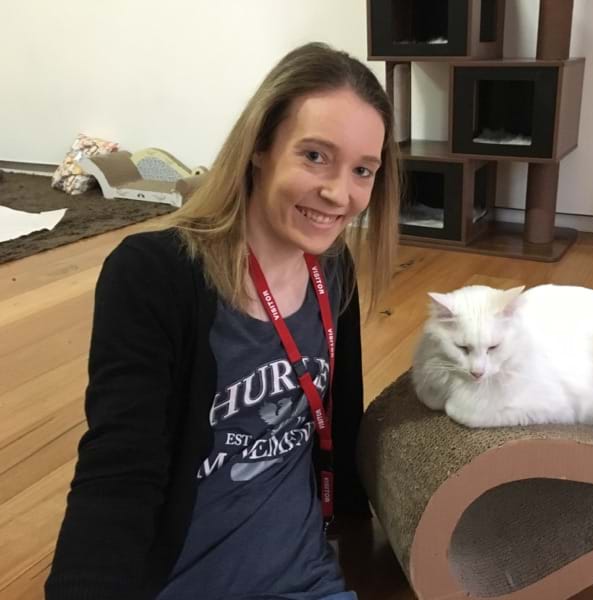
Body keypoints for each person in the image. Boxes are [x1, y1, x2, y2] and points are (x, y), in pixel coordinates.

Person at [45, 42, 401, 600]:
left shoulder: (333, 270)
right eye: (314, 156)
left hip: (307, 580)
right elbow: (117, 474)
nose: (339, 193)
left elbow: (343, 421)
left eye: (363, 170)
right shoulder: (152, 275)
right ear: (259, 146)